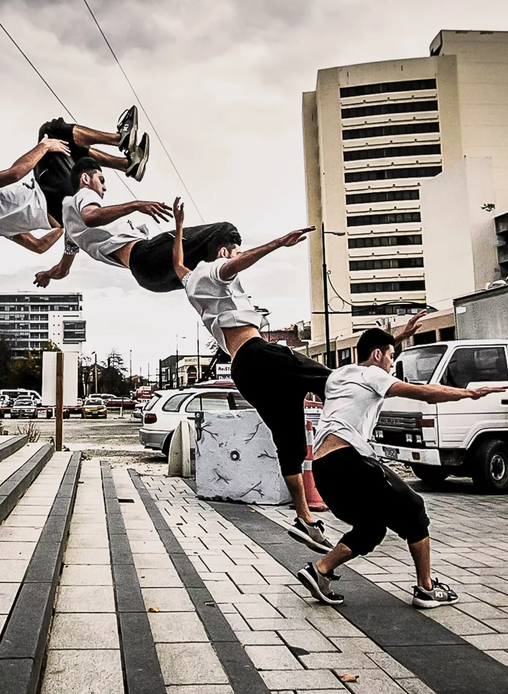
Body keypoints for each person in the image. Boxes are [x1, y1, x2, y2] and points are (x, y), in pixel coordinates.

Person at [170, 198, 426, 552]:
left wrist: (180, 225)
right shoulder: (217, 270)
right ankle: (353, 452)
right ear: (224, 251)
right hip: (259, 354)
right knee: (333, 381)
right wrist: (278, 243)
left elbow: (178, 264)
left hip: (245, 370)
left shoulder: (190, 281)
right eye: (235, 252)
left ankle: (305, 517)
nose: (237, 260)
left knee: (288, 439)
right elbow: (233, 265)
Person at [296, 328, 505, 608]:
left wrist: (402, 332)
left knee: (371, 528)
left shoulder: (339, 374)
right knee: (414, 509)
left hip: (324, 469)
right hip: (348, 460)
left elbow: (373, 343)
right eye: (390, 356)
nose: (391, 364)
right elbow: (426, 393)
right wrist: (469, 393)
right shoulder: (373, 374)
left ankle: (320, 571)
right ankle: (426, 588)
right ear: (377, 354)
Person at [33, 157, 250, 291]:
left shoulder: (71, 234)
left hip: (151, 280)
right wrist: (136, 205)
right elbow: (91, 216)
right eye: (101, 180)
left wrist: (47, 275)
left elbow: (63, 270)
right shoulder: (79, 196)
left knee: (203, 276)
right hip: (146, 256)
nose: (104, 188)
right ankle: (232, 258)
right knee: (225, 230)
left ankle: (223, 272)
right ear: (86, 179)